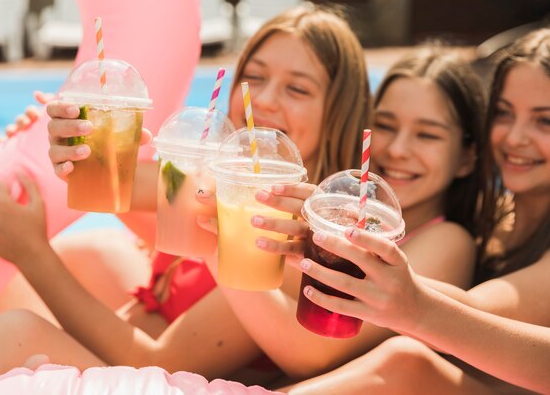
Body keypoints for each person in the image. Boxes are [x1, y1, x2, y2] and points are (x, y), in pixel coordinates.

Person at [0, 4, 372, 394]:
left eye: (298, 89)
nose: (268, 99)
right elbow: (102, 180)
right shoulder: (209, 183)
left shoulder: (282, 233)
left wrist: (32, 254)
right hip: (104, 360)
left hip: (143, 378)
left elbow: (162, 364)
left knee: (15, 333)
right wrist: (61, 137)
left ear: (338, 112)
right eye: (254, 77)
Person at [280, 28, 550, 395]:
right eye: (503, 114)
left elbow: (482, 311)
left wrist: (406, 297)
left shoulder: (457, 236)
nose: (515, 137)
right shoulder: (495, 218)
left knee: (405, 363)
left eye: (544, 120)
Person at [195, 44, 485, 380]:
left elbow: (310, 354)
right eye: (386, 126)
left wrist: (215, 242)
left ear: (467, 157)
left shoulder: (449, 241)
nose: (397, 149)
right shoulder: (330, 221)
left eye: (427, 135)